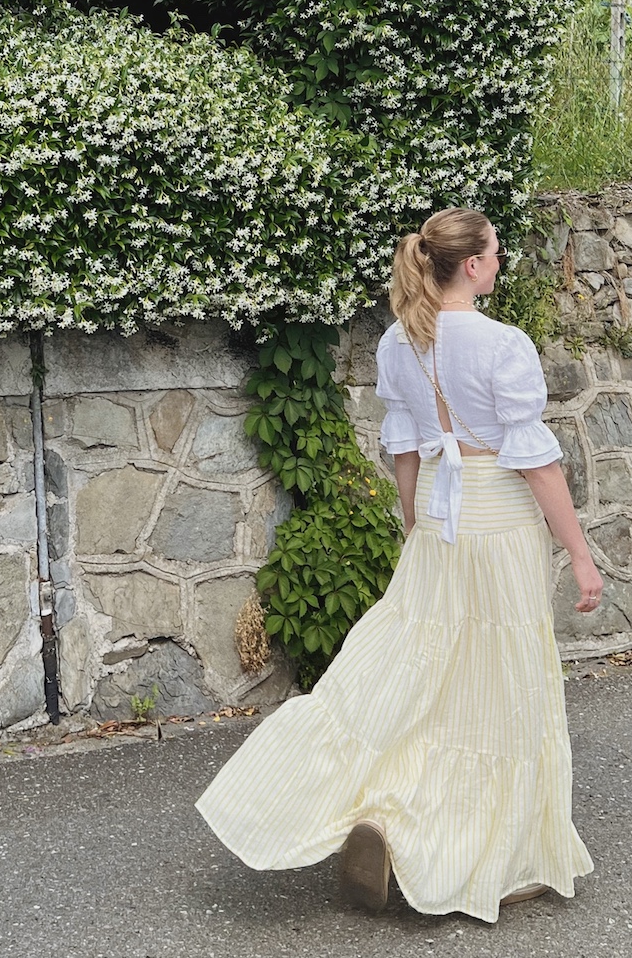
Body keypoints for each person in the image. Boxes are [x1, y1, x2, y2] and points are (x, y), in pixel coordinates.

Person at [196, 207, 603, 920]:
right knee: (498, 682)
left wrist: (414, 523)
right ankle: (493, 854)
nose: (501, 263)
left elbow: (405, 449)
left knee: (419, 669)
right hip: (496, 518)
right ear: (471, 265)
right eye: (496, 254)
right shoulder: (503, 345)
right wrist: (579, 552)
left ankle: (387, 814)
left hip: (439, 519)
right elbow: (536, 464)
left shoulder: (399, 342)